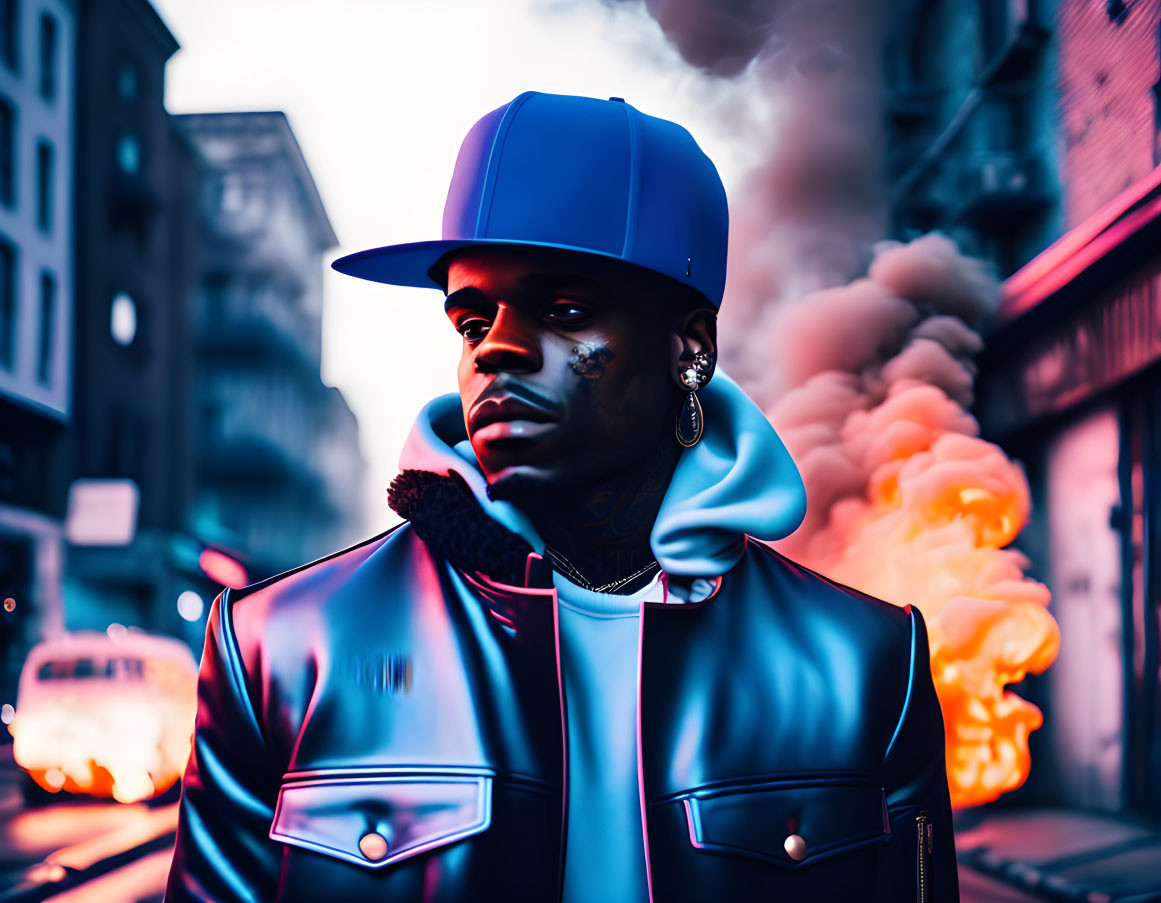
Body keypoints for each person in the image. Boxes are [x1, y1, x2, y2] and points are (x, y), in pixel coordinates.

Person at [165, 91, 958, 902]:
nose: (497, 347)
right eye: (471, 321)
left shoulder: (864, 663)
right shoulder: (279, 647)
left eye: (565, 308)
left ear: (689, 346)